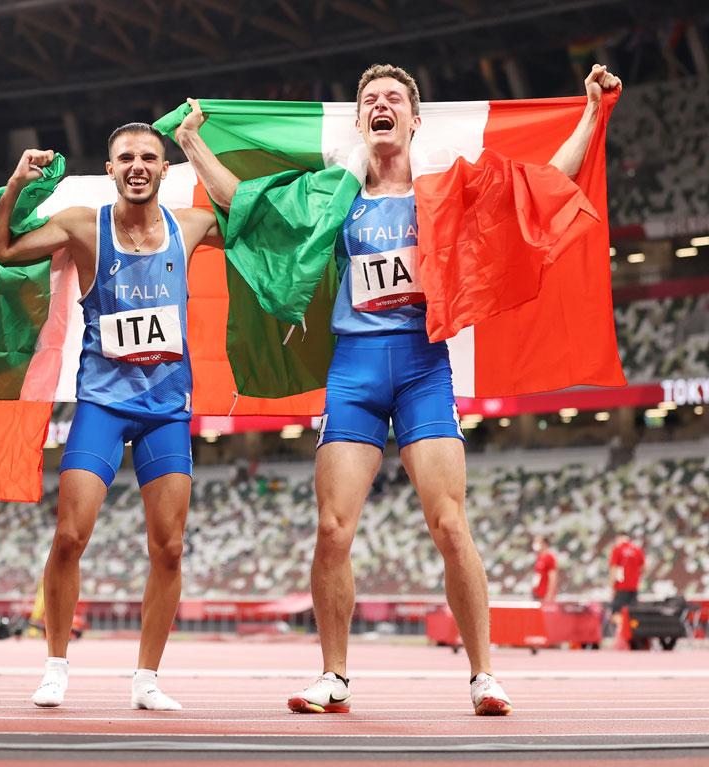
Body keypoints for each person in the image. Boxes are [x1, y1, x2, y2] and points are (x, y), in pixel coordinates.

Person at [175, 62, 621, 716]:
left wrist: (590, 113)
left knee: (449, 523)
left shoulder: (449, 189)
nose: (381, 105)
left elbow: (544, 184)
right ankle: (334, 676)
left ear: (414, 119)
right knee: (332, 527)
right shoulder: (334, 195)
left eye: (393, 98)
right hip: (354, 366)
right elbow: (247, 206)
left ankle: (484, 675)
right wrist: (191, 144)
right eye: (369, 100)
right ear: (361, 122)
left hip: (421, 365)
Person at [0, 123, 223, 710]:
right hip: (103, 405)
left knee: (168, 548)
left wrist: (195, 143)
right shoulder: (86, 227)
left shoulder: (190, 226)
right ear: (110, 168)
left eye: (148, 157)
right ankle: (57, 666)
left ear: (165, 170)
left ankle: (147, 679)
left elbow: (250, 218)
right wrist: (15, 183)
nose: (137, 165)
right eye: (126, 158)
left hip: (166, 409)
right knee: (70, 535)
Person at [608, 531, 645, 634]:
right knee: (632, 613)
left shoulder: (617, 550)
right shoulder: (637, 550)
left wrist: (612, 588)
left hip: (621, 587)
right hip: (634, 588)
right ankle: (631, 634)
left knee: (616, 613)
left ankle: (622, 633)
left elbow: (613, 570)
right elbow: (643, 568)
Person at [532, 535, 559, 602]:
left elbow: (553, 577)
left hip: (545, 595)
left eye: (537, 542)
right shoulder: (539, 557)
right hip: (537, 593)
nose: (535, 544)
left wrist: (550, 594)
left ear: (544, 544)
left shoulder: (550, 557)